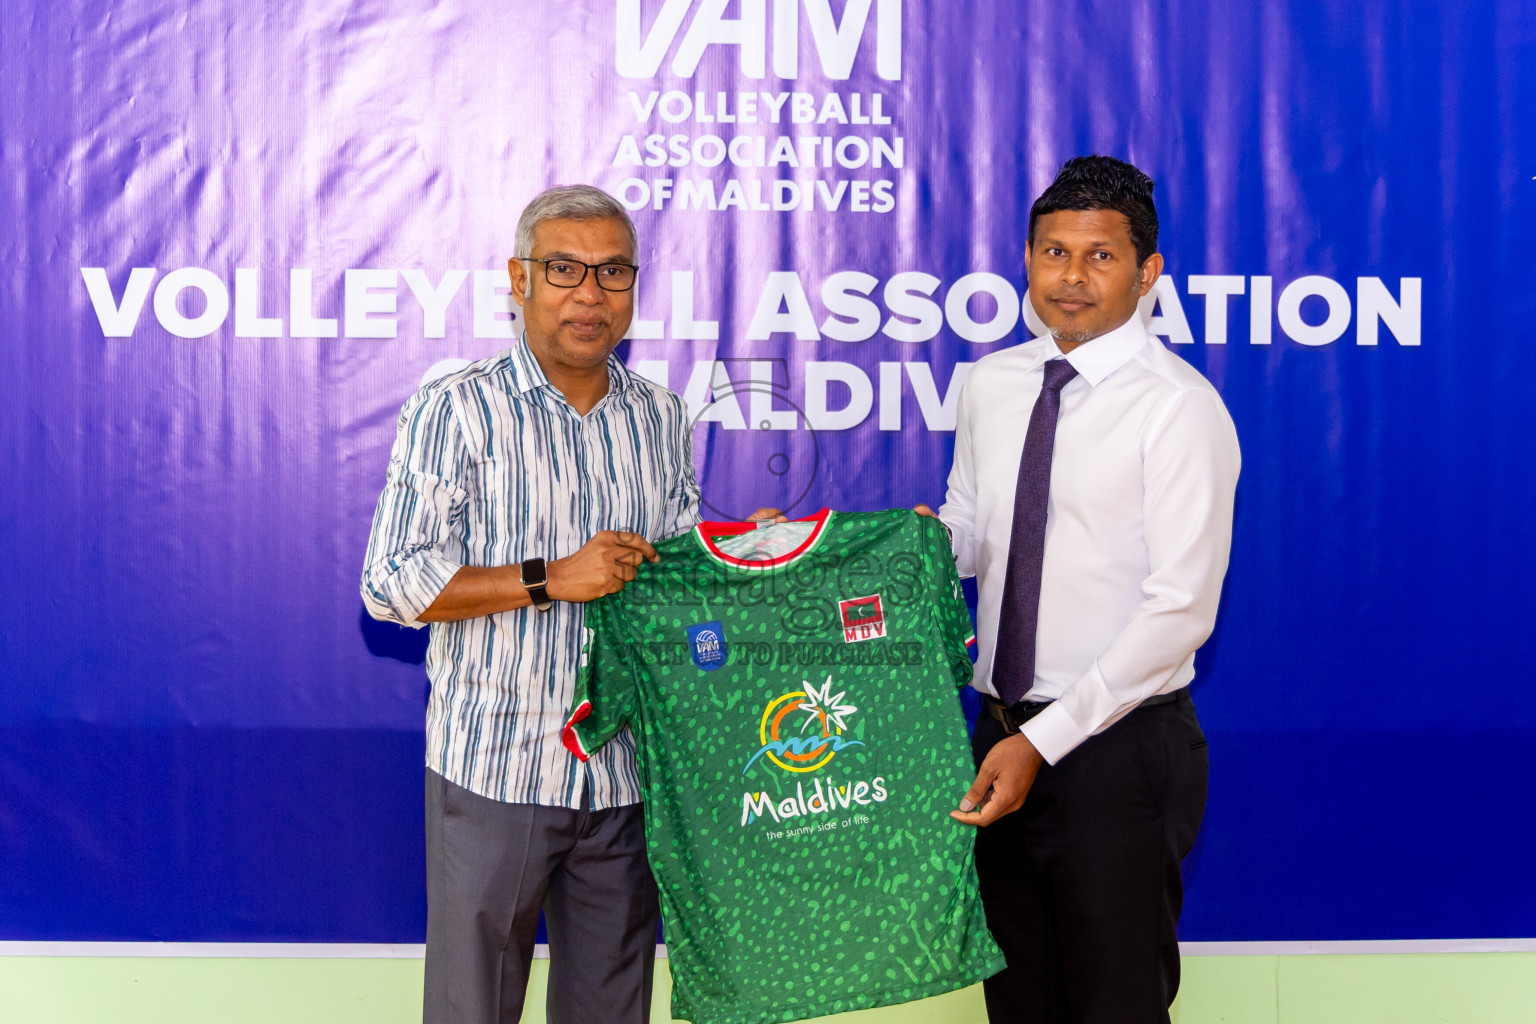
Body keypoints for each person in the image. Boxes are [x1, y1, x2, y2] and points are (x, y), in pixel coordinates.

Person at [360, 185, 699, 1024]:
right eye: (564, 270)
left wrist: (742, 557)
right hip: (496, 770)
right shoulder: (457, 407)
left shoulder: (660, 415)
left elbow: (672, 575)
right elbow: (391, 582)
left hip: (623, 776)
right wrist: (551, 577)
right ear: (519, 281)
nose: (591, 293)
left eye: (613, 271)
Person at [923, 156, 1241, 1024]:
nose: (1070, 277)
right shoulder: (992, 383)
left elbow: (1181, 612)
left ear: (1147, 274)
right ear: (1026, 258)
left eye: (1099, 256)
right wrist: (865, 548)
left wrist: (1047, 742)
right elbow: (970, 531)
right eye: (1053, 252)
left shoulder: (1178, 407)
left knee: (1116, 1006)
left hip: (1119, 753)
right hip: (997, 737)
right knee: (1020, 1002)